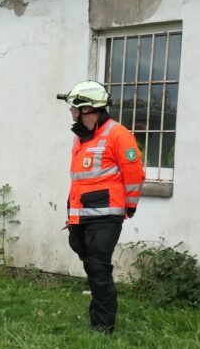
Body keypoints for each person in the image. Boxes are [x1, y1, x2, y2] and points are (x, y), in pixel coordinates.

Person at [58, 80, 144, 332]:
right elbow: (81, 180)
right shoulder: (82, 138)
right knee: (84, 255)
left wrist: (129, 206)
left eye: (75, 108)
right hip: (81, 215)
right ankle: (98, 313)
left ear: (88, 109)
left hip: (106, 215)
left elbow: (135, 175)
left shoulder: (118, 134)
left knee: (98, 267)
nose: (72, 112)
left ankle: (102, 325)